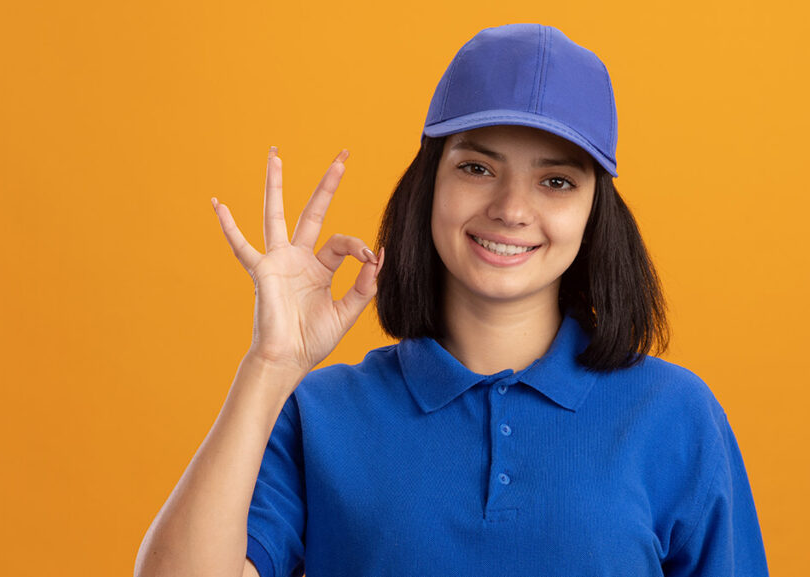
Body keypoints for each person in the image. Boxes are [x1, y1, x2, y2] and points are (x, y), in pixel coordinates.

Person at [135, 24, 769, 577]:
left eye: (556, 181)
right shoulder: (322, 416)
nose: (512, 210)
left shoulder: (676, 416)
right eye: (477, 168)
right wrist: (270, 366)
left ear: (594, 213)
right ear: (427, 186)